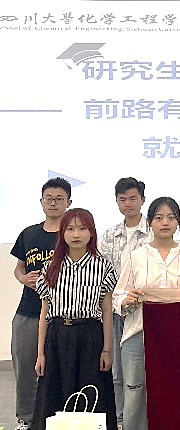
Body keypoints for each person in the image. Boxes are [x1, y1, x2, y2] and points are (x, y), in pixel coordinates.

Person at [113, 197, 180, 430]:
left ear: (178, 222)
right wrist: (127, 300)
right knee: (135, 390)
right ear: (150, 223)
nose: (165, 222)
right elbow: (118, 296)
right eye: (158, 218)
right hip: (138, 333)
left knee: (176, 388)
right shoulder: (136, 256)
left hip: (178, 338)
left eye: (171, 217)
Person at [32, 208, 117, 430]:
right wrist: (40, 354)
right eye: (70, 229)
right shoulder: (51, 267)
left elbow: (106, 311)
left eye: (82, 228)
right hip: (58, 337)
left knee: (91, 395)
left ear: (92, 232)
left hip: (90, 337)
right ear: (62, 233)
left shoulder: (103, 267)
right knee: (54, 396)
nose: (76, 234)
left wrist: (107, 350)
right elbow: (44, 313)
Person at [11, 177, 72, 430]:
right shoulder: (29, 233)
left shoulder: (73, 234)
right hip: (28, 311)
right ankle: (26, 419)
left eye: (59, 199)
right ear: (41, 202)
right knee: (25, 367)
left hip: (61, 312)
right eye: (49, 199)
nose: (53, 203)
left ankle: (59, 418)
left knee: (60, 368)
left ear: (69, 202)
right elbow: (19, 268)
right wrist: (23, 278)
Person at [99, 177, 151, 428]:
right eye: (122, 199)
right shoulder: (110, 235)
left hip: (145, 312)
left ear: (142, 199)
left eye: (133, 198)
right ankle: (121, 419)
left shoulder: (154, 229)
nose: (128, 203)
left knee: (145, 370)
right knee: (118, 370)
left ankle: (148, 417)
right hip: (116, 310)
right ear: (117, 201)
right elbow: (104, 273)